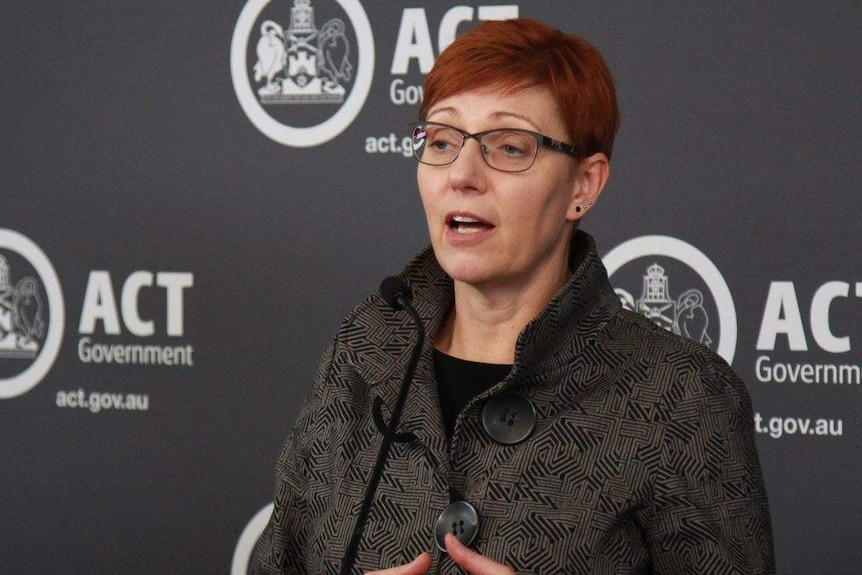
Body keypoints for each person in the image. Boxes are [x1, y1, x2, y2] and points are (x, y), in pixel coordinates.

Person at [253, 18, 775, 575]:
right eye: (443, 140)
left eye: (509, 146)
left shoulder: (680, 394)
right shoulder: (366, 352)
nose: (463, 174)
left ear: (584, 185)